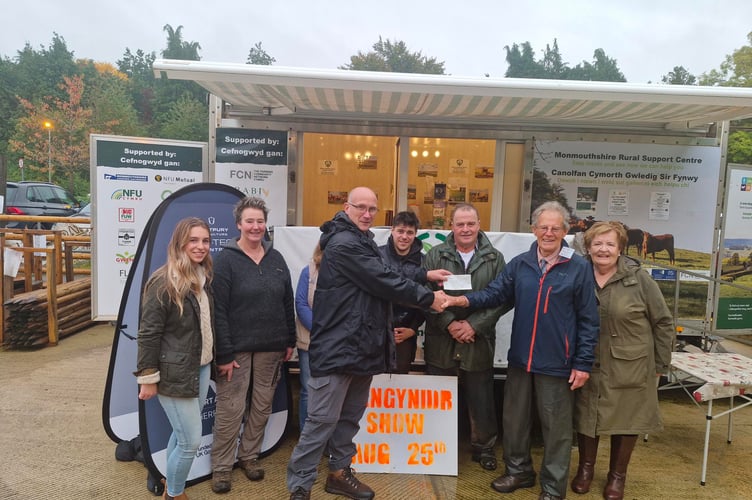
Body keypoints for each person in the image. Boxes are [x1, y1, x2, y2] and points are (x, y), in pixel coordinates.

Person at [286, 187, 447, 500]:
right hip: (338, 347)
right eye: (361, 207)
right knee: (321, 422)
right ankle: (300, 485)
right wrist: (429, 297)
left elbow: (389, 270)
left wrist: (425, 274)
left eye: (372, 209)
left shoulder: (365, 240)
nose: (367, 213)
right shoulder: (345, 243)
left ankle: (338, 473)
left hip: (361, 346)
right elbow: (383, 279)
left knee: (349, 419)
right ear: (347, 207)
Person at [441, 201, 600, 500]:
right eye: (543, 227)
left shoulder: (578, 269)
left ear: (565, 232)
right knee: (514, 421)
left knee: (556, 429)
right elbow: (494, 293)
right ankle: (518, 471)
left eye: (555, 228)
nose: (549, 233)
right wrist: (460, 302)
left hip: (558, 363)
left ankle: (553, 487)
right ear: (534, 230)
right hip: (521, 359)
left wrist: (582, 363)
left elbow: (590, 321)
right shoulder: (521, 264)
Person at [571, 221, 673, 500]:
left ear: (620, 249)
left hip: (632, 363)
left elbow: (663, 322)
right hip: (588, 361)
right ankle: (586, 469)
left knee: (627, 419)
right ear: (588, 247)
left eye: (610, 244)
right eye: (597, 244)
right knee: (587, 415)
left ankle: (617, 476)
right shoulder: (579, 275)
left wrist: (661, 365)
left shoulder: (640, 280)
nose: (603, 249)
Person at [210, 197, 296, 494]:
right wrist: (223, 353)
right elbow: (217, 310)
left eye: (260, 221)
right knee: (231, 409)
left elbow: (287, 300)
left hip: (272, 347)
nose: (255, 226)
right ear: (238, 225)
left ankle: (249, 456)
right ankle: (221, 467)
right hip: (235, 351)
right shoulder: (225, 261)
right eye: (250, 221)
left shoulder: (277, 259)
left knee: (261, 406)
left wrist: (290, 340)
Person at [423, 203, 508, 470]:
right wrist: (449, 323)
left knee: (481, 397)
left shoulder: (495, 258)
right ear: (451, 225)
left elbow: (502, 300)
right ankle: (436, 445)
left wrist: (473, 325)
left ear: (479, 224)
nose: (466, 229)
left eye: (471, 223)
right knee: (438, 397)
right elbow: (423, 295)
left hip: (478, 339)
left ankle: (483, 448)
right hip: (441, 340)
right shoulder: (435, 255)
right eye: (460, 224)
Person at [135, 217, 214, 500]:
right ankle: (175, 495)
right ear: (180, 243)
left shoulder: (203, 277)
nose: (200, 246)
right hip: (174, 373)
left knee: (181, 437)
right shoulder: (163, 281)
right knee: (191, 441)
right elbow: (148, 333)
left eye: (205, 240)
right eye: (193, 240)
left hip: (201, 368)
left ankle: (171, 486)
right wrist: (147, 378)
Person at [379, 210, 451, 373]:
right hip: (377, 332)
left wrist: (412, 328)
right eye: (401, 231)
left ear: (416, 234)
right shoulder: (377, 255)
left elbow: (427, 297)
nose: (404, 236)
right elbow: (382, 285)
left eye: (410, 232)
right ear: (392, 230)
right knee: (372, 387)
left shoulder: (423, 260)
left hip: (406, 334)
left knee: (401, 384)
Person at [294, 244, 322, 431]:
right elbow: (301, 303)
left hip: (338, 343)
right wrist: (320, 330)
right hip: (310, 341)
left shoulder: (348, 270)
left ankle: (327, 438)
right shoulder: (309, 271)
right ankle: (306, 436)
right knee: (308, 390)